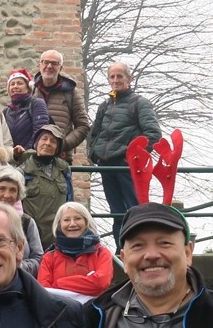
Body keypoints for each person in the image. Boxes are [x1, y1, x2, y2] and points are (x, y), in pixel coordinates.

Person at [89, 61, 162, 247]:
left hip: (128, 165)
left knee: (134, 207)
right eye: (112, 77)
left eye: (119, 76)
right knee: (115, 211)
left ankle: (140, 246)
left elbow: (153, 134)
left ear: (128, 78)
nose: (115, 80)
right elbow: (94, 133)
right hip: (106, 165)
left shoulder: (140, 103)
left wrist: (134, 158)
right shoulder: (104, 106)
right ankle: (121, 250)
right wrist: (94, 155)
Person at [38, 202, 113, 301]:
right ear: (59, 224)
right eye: (66, 220)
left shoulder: (101, 253)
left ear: (86, 222)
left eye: (78, 218)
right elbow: (44, 292)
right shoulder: (49, 257)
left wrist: (58, 283)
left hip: (93, 312)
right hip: (59, 313)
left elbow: (100, 283)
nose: (72, 224)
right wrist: (86, 283)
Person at [18, 124, 73, 249]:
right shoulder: (23, 169)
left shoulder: (64, 170)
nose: (48, 143)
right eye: (44, 139)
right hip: (30, 236)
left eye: (53, 141)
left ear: (57, 148)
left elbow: (70, 200)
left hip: (57, 236)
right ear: (36, 143)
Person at [32, 50, 90, 162]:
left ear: (61, 68)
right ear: (39, 65)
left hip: (61, 159)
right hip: (33, 158)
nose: (49, 66)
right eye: (46, 62)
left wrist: (62, 144)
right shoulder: (32, 91)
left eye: (54, 63)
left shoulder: (70, 92)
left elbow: (83, 125)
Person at [0, 164, 43, 276]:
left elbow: (39, 258)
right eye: (2, 189)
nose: (7, 195)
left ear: (18, 195)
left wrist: (18, 267)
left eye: (13, 190)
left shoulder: (26, 223)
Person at [2, 68, 49, 157]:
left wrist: (25, 151)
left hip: (32, 158)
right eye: (12, 84)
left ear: (28, 88)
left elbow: (40, 131)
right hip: (12, 159)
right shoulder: (6, 112)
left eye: (20, 83)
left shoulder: (36, 103)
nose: (15, 86)